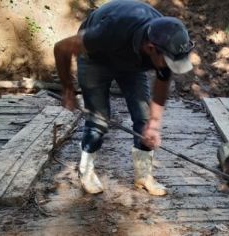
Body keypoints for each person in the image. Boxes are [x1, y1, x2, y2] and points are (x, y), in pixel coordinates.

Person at [54, 0, 194, 195]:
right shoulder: (110, 31)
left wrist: (153, 124)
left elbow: (162, 84)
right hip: (96, 58)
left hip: (131, 63)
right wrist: (68, 89)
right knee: (98, 121)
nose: (170, 66)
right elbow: (61, 48)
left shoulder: (168, 43)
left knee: (144, 119)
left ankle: (144, 176)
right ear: (151, 48)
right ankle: (86, 172)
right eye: (168, 62)